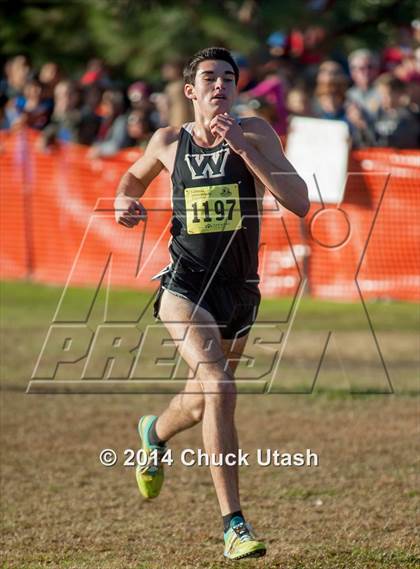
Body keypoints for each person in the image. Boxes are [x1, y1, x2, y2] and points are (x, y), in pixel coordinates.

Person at [114, 47, 309, 561]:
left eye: (228, 76)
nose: (220, 83)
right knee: (219, 385)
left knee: (203, 400)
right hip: (185, 285)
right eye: (209, 77)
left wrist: (245, 150)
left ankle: (152, 432)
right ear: (190, 91)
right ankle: (234, 525)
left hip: (239, 289)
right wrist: (123, 202)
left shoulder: (257, 132)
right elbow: (130, 180)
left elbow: (299, 201)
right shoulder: (167, 142)